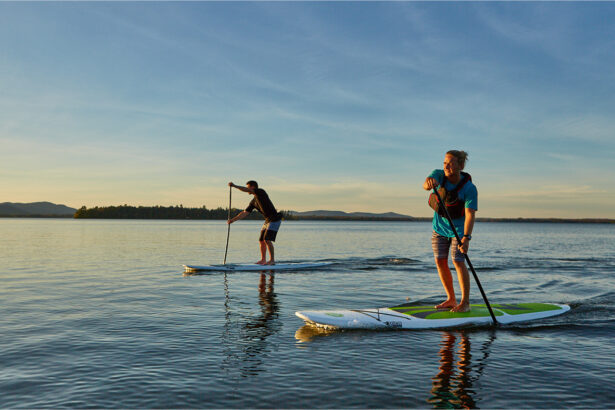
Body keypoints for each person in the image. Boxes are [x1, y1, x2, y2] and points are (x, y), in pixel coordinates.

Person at [423, 150, 477, 313]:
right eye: (445, 162)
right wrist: (429, 184)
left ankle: (465, 303)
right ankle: (451, 299)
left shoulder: (469, 188)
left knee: (458, 261)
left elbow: (470, 215)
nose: (446, 166)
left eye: (451, 162)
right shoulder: (438, 175)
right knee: (440, 261)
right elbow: (426, 184)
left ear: (460, 165)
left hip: (459, 231)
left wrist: (466, 238)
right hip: (439, 227)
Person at [228, 181, 282, 265]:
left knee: (267, 239)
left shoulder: (261, 192)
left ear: (253, 187)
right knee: (261, 240)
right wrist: (232, 220)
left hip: (275, 219)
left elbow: (245, 189)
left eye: (248, 187)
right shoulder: (253, 201)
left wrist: (234, 186)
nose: (247, 189)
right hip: (267, 220)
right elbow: (244, 213)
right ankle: (263, 260)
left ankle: (272, 260)